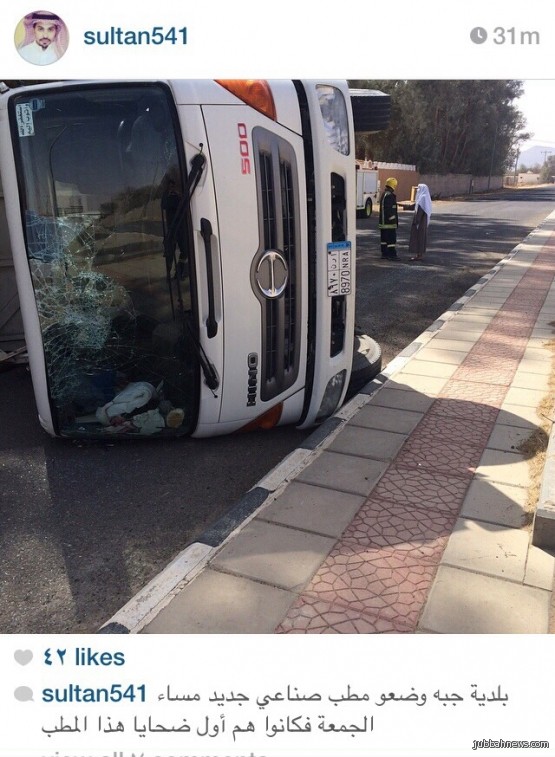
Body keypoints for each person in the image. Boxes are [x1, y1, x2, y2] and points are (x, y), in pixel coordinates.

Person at [409, 183, 432, 261]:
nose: (417, 190)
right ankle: (419, 254)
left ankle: (419, 255)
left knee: (419, 237)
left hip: (420, 221)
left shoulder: (422, 197)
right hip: (424, 221)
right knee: (422, 237)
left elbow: (420, 210)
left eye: (419, 188)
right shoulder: (425, 197)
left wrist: (416, 220)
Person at [378, 177, 398, 259]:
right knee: (391, 239)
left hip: (383, 223)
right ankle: (392, 255)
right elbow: (389, 209)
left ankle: (384, 253)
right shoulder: (390, 196)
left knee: (384, 239)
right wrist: (393, 219)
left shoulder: (384, 194)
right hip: (389, 223)